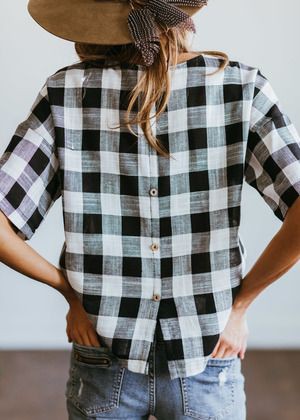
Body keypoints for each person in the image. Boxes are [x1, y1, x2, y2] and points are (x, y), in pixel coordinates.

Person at [0, 0, 299, 419]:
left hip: (102, 351)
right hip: (209, 349)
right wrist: (240, 306)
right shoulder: (241, 87)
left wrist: (69, 291)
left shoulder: (66, 92)